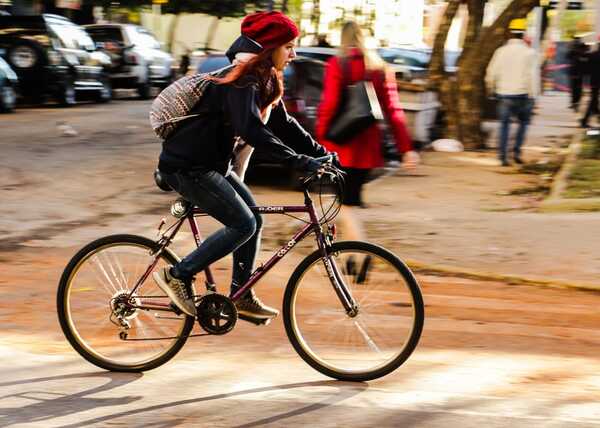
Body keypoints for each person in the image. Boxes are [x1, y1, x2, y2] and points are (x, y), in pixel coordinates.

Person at [153, 11, 331, 323]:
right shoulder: (241, 81)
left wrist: (323, 154)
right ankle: (178, 275)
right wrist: (299, 162)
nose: (294, 54)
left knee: (254, 221)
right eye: (288, 46)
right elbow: (253, 131)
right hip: (188, 167)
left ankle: (241, 293)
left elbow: (283, 124)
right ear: (269, 48)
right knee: (243, 224)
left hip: (211, 165)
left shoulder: (263, 79)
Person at [315, 21, 418, 243]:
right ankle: (345, 257)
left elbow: (329, 104)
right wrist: (406, 149)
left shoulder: (337, 64)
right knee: (345, 203)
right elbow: (394, 111)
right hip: (367, 152)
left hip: (340, 147)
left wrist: (319, 138)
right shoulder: (381, 69)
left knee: (344, 206)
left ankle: (360, 251)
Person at [485, 27, 538, 166]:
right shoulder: (530, 52)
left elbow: (491, 72)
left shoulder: (500, 52)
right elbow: (532, 76)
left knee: (504, 125)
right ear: (523, 35)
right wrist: (534, 96)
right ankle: (516, 153)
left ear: (510, 34)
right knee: (523, 123)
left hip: (504, 94)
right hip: (524, 94)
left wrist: (491, 89)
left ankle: (502, 156)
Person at [581, 40, 600, 128]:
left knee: (594, 100)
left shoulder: (592, 55)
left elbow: (586, 69)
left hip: (593, 81)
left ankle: (585, 120)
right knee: (593, 101)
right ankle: (584, 120)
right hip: (596, 81)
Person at [566, 36, 588, 112]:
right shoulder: (576, 50)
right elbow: (567, 56)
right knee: (576, 89)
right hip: (576, 73)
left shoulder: (581, 49)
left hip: (576, 73)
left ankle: (575, 102)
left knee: (576, 89)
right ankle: (575, 102)